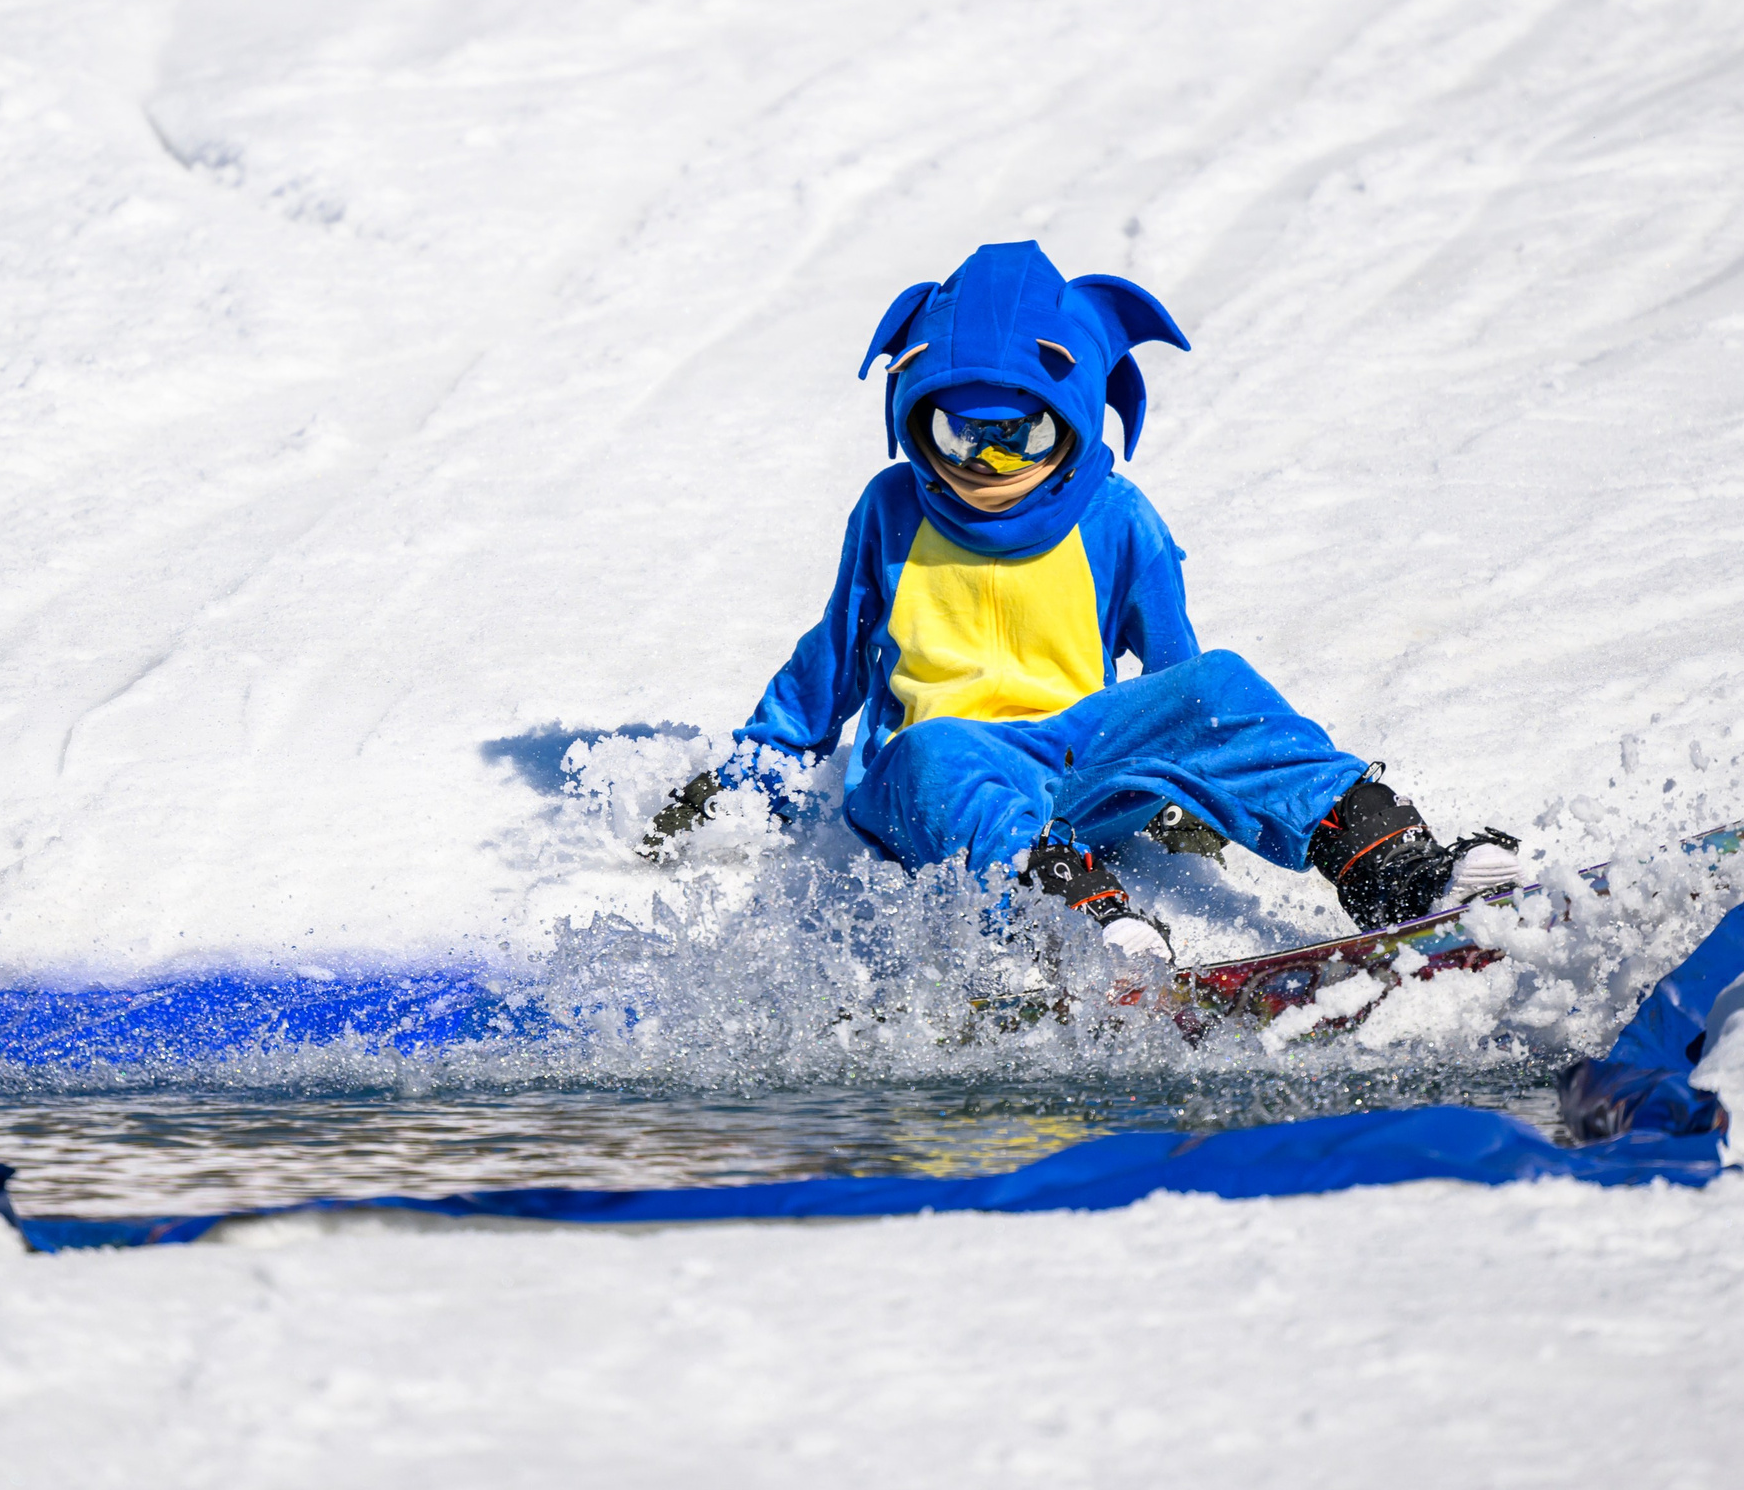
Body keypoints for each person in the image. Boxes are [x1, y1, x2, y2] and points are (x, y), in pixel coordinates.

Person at [642, 240, 1514, 960]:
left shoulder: (1114, 517)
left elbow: (1175, 678)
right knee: (940, 753)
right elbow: (832, 655)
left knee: (1223, 686)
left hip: (1078, 758)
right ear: (913, 416)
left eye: (1016, 437)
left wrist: (1194, 789)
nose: (984, 467)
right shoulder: (893, 509)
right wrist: (755, 775)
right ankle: (1076, 922)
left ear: (1072, 417)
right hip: (935, 778)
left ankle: (1392, 864)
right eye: (956, 434)